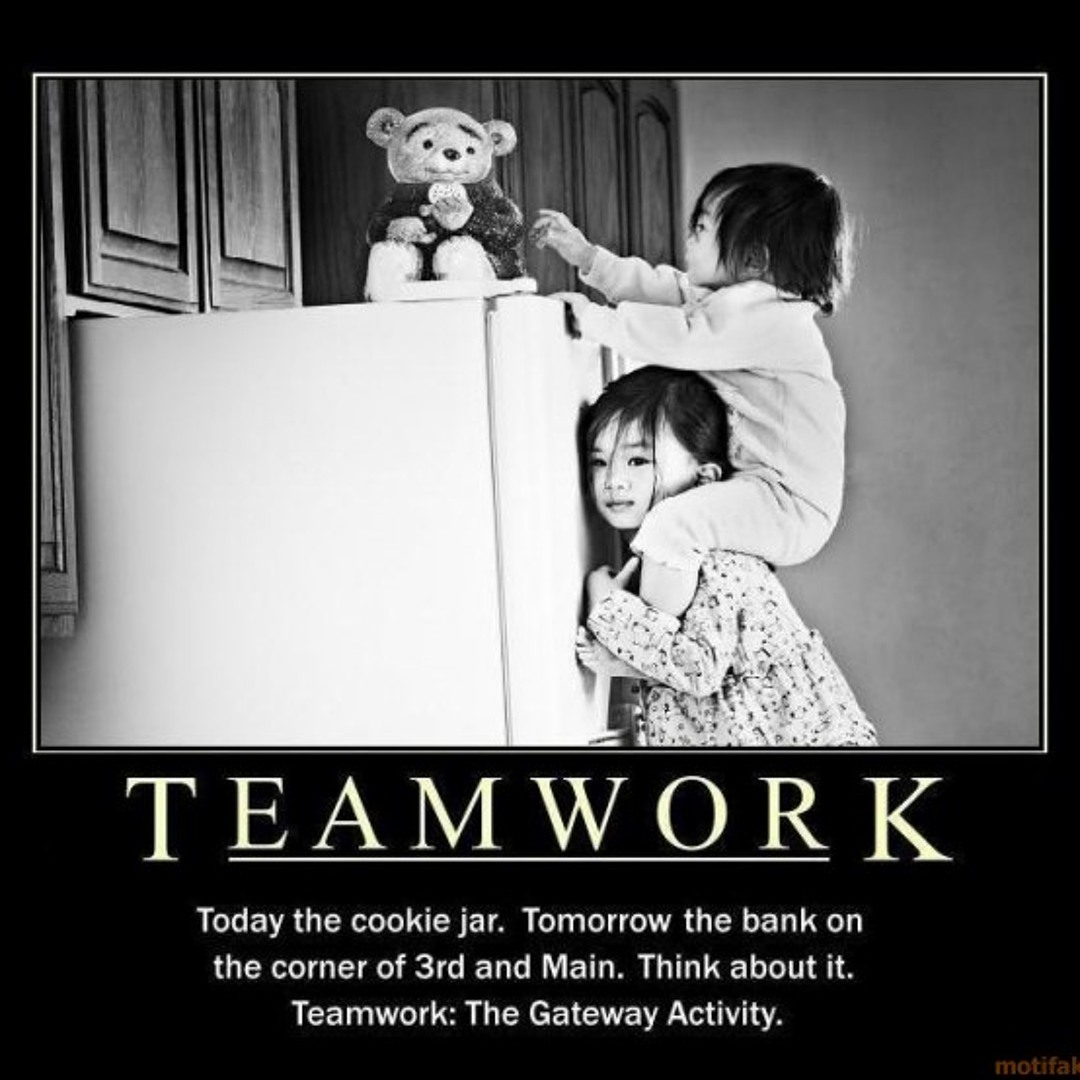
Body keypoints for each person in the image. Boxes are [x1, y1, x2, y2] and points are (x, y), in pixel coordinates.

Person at [532, 163, 853, 618]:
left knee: (673, 524)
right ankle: (651, 622)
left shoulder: (772, 320)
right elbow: (664, 289)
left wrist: (592, 321)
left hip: (789, 502)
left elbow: (681, 336)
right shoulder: (736, 305)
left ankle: (638, 641)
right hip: (769, 488)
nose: (689, 239)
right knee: (676, 525)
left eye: (701, 229)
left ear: (754, 259)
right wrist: (589, 259)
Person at [574, 365, 876, 747]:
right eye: (599, 462)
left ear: (705, 478)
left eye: (637, 461)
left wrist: (607, 604)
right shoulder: (662, 558)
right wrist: (629, 662)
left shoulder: (719, 561)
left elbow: (697, 669)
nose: (613, 480)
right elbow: (699, 674)